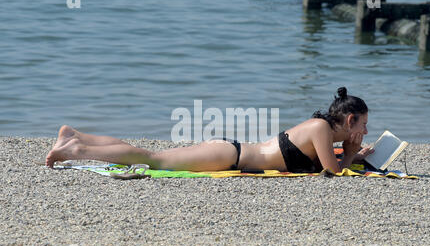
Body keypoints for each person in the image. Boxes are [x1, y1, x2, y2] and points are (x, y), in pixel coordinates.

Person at [46, 87, 374, 173]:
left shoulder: (325, 137)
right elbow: (332, 174)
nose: (365, 129)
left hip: (232, 154)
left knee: (151, 155)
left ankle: (77, 136)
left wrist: (354, 154)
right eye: (363, 124)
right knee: (152, 158)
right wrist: (352, 155)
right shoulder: (319, 128)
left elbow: (329, 162)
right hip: (229, 155)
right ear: (349, 121)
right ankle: (76, 150)